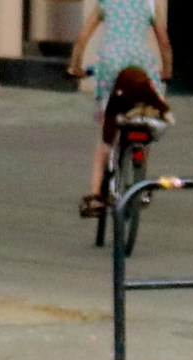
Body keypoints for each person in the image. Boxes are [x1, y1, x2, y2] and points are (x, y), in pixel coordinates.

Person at [67, 0, 173, 218]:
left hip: (110, 63)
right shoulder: (150, 3)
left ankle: (95, 196)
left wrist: (75, 66)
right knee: (144, 117)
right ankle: (140, 179)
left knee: (106, 135)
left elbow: (82, 38)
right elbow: (164, 42)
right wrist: (167, 69)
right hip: (141, 64)